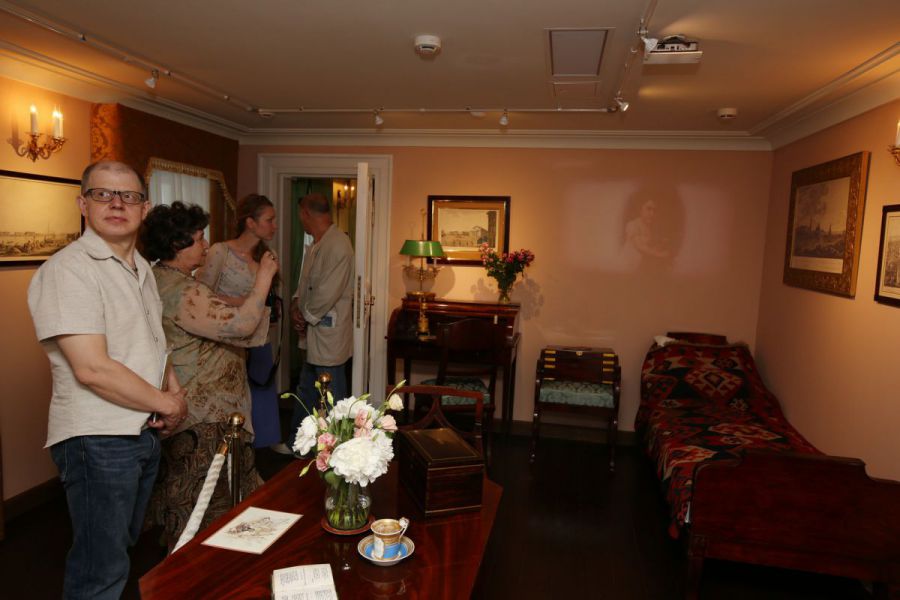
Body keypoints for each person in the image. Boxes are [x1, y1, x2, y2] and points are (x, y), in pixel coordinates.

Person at [27, 160, 188, 600]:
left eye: (129, 196)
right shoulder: (69, 270)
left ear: (144, 208)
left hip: (140, 430)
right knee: (100, 569)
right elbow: (92, 368)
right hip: (98, 438)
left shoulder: (140, 267)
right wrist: (168, 402)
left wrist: (172, 389)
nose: (117, 203)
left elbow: (152, 339)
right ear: (83, 204)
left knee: (121, 551)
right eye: (103, 194)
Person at [140, 201, 278, 550]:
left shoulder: (158, 280)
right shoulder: (184, 291)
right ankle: (206, 568)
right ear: (177, 244)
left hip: (192, 404)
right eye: (199, 238)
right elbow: (241, 326)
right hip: (207, 415)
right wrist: (263, 279)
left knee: (197, 495)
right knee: (207, 502)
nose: (205, 245)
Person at [195, 194, 289, 454]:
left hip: (259, 336)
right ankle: (230, 447)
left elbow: (266, 296)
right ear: (250, 222)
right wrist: (244, 303)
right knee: (231, 395)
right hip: (226, 339)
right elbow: (201, 295)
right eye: (269, 220)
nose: (274, 226)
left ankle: (264, 445)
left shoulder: (266, 256)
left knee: (262, 387)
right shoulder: (220, 252)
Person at [290, 192, 354, 434]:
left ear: (306, 213)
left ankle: (340, 446)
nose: (301, 221)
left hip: (327, 333)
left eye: (300, 216)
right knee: (306, 389)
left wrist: (305, 317)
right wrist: (296, 305)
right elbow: (306, 283)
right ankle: (297, 442)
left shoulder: (338, 245)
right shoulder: (317, 244)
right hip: (313, 330)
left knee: (332, 395)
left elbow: (327, 292)